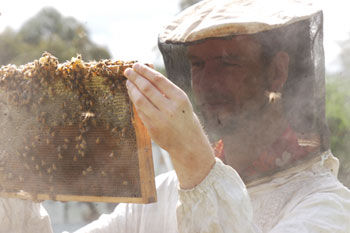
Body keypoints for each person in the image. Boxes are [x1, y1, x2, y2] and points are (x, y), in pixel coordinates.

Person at [1, 0, 350, 232]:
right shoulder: (162, 196)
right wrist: (12, 180)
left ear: (277, 72)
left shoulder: (327, 206)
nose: (207, 82)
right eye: (197, 64)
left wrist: (193, 160)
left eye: (228, 62)